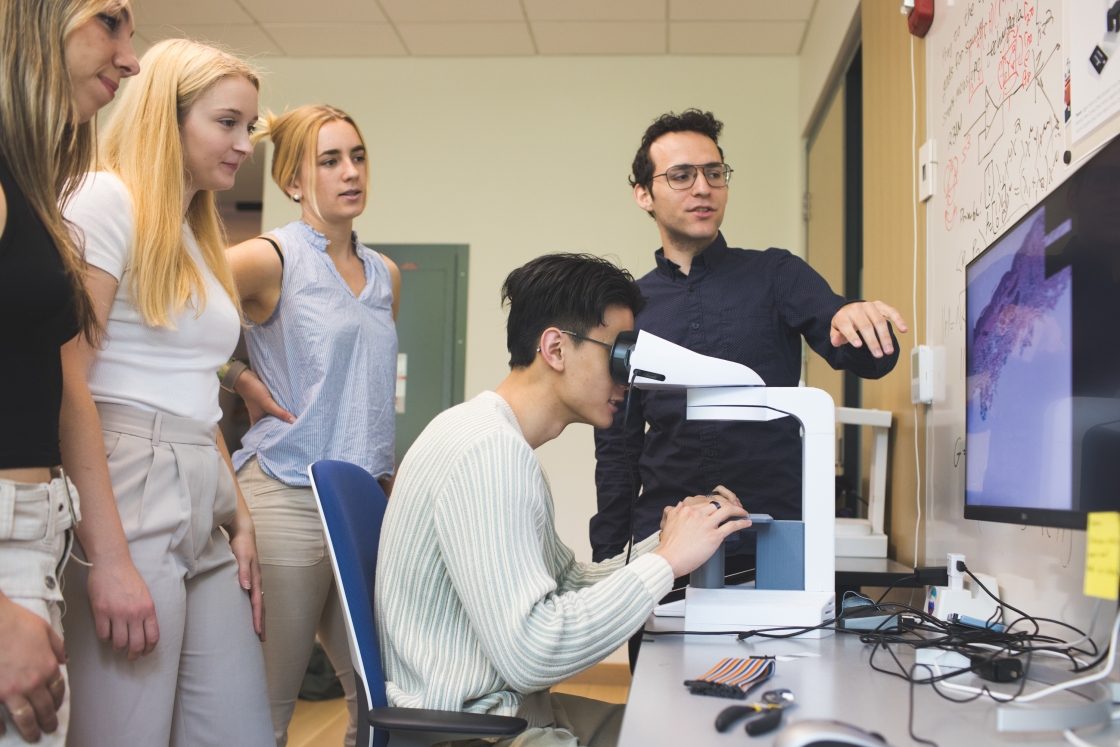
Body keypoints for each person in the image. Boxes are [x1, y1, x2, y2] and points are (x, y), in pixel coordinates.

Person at [376, 253, 750, 747]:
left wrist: (673, 541)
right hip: (480, 732)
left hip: (507, 712)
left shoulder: (497, 439)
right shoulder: (486, 452)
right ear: (555, 348)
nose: (629, 379)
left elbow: (567, 582)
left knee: (687, 724)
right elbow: (533, 653)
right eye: (619, 356)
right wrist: (665, 562)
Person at [591, 110, 906, 664]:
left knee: (779, 696)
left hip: (774, 540)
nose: (704, 188)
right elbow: (617, 445)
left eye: (715, 173)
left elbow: (861, 352)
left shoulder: (776, 275)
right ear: (644, 194)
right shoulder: (628, 307)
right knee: (663, 712)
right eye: (682, 175)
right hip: (666, 545)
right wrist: (609, 557)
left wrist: (861, 321)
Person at [59, 38, 273, 747]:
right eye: (226, 122)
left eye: (249, 126)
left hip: (200, 485)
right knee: (127, 732)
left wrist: (237, 510)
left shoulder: (192, 234)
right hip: (127, 478)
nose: (244, 143)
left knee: (237, 728)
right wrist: (108, 556)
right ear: (165, 117)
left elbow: (196, 391)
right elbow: (68, 382)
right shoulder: (104, 200)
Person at [226, 104, 401, 747]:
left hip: (358, 501)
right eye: (329, 160)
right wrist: (237, 376)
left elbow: (370, 396)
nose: (350, 172)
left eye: (357, 156)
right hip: (287, 491)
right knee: (268, 708)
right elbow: (170, 299)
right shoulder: (272, 257)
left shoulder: (383, 275)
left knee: (378, 700)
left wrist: (385, 485)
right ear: (294, 182)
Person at [0, 1, 138, 744]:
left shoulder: (31, 194)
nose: (129, 56)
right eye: (109, 21)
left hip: (37, 541)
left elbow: (59, 386)